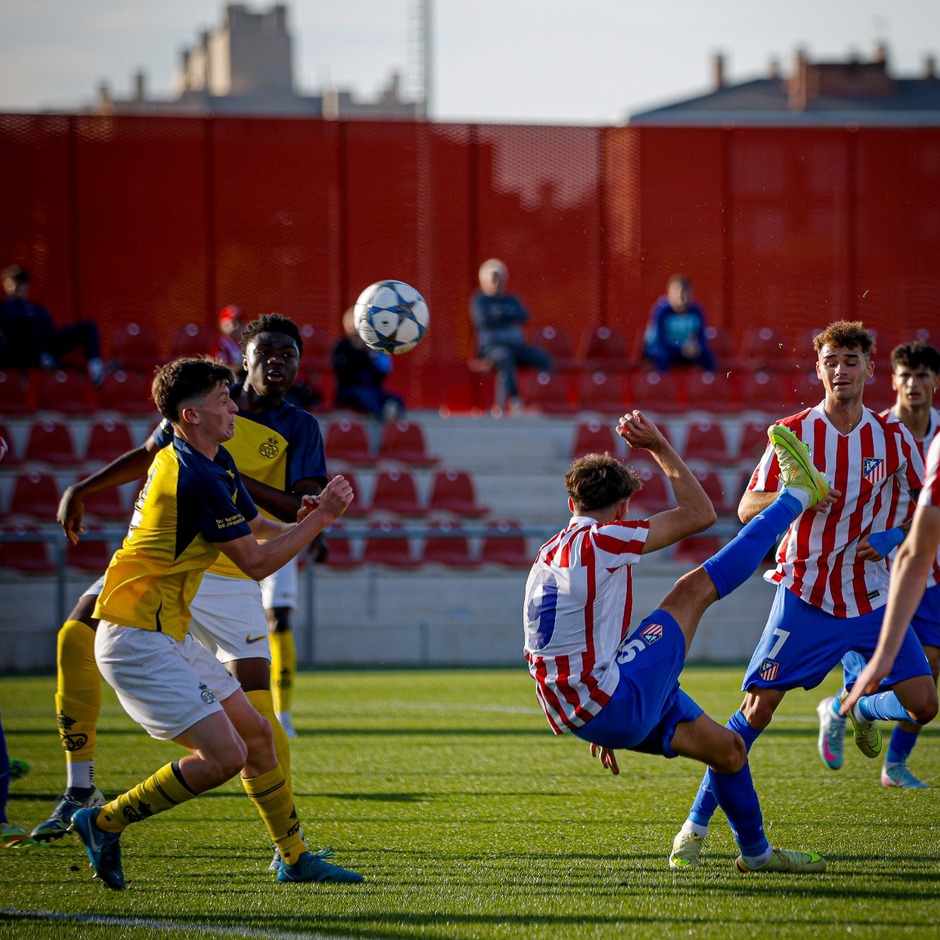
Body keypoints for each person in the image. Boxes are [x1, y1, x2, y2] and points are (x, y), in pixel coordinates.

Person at [66, 356, 362, 890]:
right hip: (135, 639)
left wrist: (303, 518)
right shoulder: (194, 476)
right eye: (223, 400)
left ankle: (294, 857)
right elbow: (256, 563)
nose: (234, 408)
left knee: (258, 735)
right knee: (226, 756)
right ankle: (103, 821)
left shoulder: (210, 457)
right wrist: (322, 519)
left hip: (165, 633)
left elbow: (257, 527)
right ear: (191, 415)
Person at [32, 314, 327, 842]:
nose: (277, 362)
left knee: (258, 716)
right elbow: (150, 455)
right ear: (244, 359)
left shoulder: (293, 426)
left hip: (230, 567)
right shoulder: (200, 409)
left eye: (288, 354)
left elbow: (292, 507)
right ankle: (80, 788)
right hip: (173, 561)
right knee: (74, 635)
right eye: (266, 353)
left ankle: (288, 845)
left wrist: (231, 475)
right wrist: (83, 488)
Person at [669, 321, 938, 870]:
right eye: (831, 361)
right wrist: (798, 495)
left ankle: (857, 706)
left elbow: (924, 500)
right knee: (756, 711)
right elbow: (746, 507)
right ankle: (694, 828)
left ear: (870, 368)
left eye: (851, 361)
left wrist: (893, 535)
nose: (841, 370)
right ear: (818, 369)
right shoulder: (793, 432)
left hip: (870, 597)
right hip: (806, 595)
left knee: (925, 704)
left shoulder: (892, 438)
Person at [525, 418, 831, 872]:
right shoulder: (603, 540)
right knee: (692, 589)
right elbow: (699, 514)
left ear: (571, 504)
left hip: (588, 704)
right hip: (610, 699)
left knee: (728, 751)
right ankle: (799, 494)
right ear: (623, 508)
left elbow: (555, 642)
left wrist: (596, 713)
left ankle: (757, 855)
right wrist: (658, 445)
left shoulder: (548, 552)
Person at [816, 340, 940, 787]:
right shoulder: (877, 431)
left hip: (930, 568)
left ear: (935, 382)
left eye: (922, 375)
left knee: (930, 671)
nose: (913, 384)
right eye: (906, 376)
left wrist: (896, 534)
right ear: (892, 381)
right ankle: (842, 707)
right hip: (871, 575)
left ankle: (894, 764)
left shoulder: (936, 436)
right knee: (871, 680)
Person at [470, 258, 552, 415]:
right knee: (505, 357)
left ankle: (544, 399)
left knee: (543, 358)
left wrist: (500, 314)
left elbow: (524, 315)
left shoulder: (511, 299)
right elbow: (484, 320)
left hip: (516, 347)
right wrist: (508, 314)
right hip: (492, 349)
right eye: (494, 278)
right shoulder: (480, 300)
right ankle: (515, 401)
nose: (497, 282)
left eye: (500, 278)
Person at [0, 264, 106, 385]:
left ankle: (96, 371)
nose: (19, 287)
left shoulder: (36, 309)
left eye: (23, 283)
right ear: (5, 285)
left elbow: (52, 334)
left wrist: (48, 352)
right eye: (14, 283)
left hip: (46, 351)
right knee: (25, 325)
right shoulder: (2, 310)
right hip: (18, 354)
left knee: (88, 326)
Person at [332, 306, 404, 422]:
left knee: (396, 399)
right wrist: (357, 351)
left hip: (372, 390)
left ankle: (394, 423)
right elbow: (343, 372)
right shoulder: (342, 347)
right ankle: (382, 420)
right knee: (367, 397)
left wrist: (373, 356)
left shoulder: (372, 348)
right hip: (350, 391)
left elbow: (383, 371)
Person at [641, 274, 717, 373]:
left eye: (685, 292)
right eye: (676, 292)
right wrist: (681, 348)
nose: (681, 296)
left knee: (707, 356)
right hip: (665, 350)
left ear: (691, 294)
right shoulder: (662, 311)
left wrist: (697, 347)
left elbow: (702, 338)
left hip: (688, 352)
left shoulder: (697, 311)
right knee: (662, 357)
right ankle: (661, 382)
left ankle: (713, 381)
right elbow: (659, 341)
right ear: (669, 293)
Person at [210, 304, 245, 371]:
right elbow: (221, 369)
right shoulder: (219, 346)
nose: (237, 326)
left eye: (240, 322)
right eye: (233, 322)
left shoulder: (248, 343)